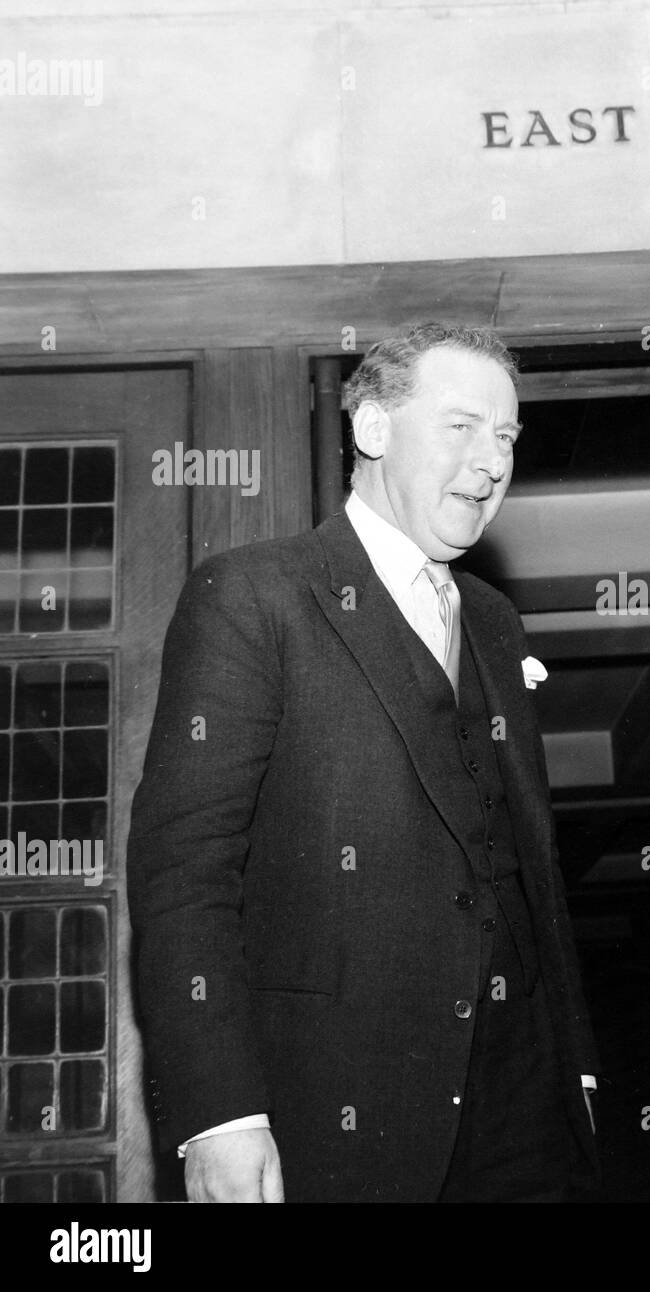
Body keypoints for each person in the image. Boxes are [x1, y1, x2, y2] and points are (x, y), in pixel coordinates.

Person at [128, 322, 598, 1203]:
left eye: (506, 437)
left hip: (527, 1113)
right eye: (462, 426)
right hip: (338, 1111)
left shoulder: (494, 619)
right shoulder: (254, 596)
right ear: (373, 430)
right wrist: (219, 1114)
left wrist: (574, 1071)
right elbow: (183, 871)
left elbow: (529, 870)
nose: (491, 462)